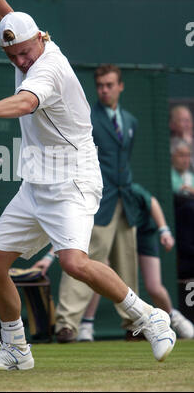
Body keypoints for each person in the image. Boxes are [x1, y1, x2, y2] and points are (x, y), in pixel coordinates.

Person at [0, 0, 176, 371]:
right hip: (36, 182)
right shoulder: (23, 40)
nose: (20, 60)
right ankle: (17, 349)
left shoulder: (49, 67)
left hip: (73, 179)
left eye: (25, 51)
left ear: (41, 38)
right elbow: (5, 13)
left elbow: (26, 102)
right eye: (12, 54)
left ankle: (151, 317)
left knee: (74, 262)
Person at [54, 64, 140, 343]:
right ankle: (66, 325)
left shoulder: (130, 121)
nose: (104, 90)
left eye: (110, 85)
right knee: (81, 261)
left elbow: (123, 162)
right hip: (97, 202)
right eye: (100, 85)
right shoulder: (88, 117)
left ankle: (134, 323)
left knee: (127, 265)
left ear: (120, 86)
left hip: (124, 203)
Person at [76, 184, 194, 341]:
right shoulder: (94, 194)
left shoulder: (131, 189)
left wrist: (164, 230)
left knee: (154, 286)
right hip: (113, 235)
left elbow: (152, 203)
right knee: (98, 274)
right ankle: (87, 325)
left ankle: (173, 318)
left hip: (144, 235)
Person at [171, 138, 194, 279]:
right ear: (173, 156)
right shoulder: (169, 176)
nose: (185, 159)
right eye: (181, 155)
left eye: (188, 155)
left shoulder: (191, 176)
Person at [169, 105, 194, 170]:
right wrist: (186, 143)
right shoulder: (169, 145)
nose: (187, 124)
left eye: (189, 120)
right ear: (172, 124)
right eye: (183, 120)